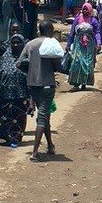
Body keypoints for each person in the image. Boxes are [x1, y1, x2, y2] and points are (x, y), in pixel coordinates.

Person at [18, 20, 65, 160]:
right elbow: (58, 66)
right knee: (43, 117)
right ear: (49, 31)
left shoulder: (30, 44)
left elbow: (19, 63)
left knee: (45, 116)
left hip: (32, 85)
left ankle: (50, 145)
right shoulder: (51, 44)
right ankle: (35, 153)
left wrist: (31, 69)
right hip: (47, 85)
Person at [0, 31, 31, 147]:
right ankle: (2, 136)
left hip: (20, 92)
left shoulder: (26, 57)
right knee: (2, 114)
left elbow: (32, 73)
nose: (15, 45)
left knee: (18, 116)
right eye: (13, 43)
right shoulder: (6, 54)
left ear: (22, 44)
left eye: (18, 43)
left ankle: (15, 138)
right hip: (4, 91)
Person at [68, 2, 100, 89]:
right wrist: (68, 44)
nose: (85, 11)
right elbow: (72, 32)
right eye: (84, 9)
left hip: (89, 46)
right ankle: (75, 84)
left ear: (90, 10)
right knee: (77, 62)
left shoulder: (93, 20)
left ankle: (84, 83)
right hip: (78, 44)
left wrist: (98, 43)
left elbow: (97, 32)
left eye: (87, 9)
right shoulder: (77, 19)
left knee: (87, 63)